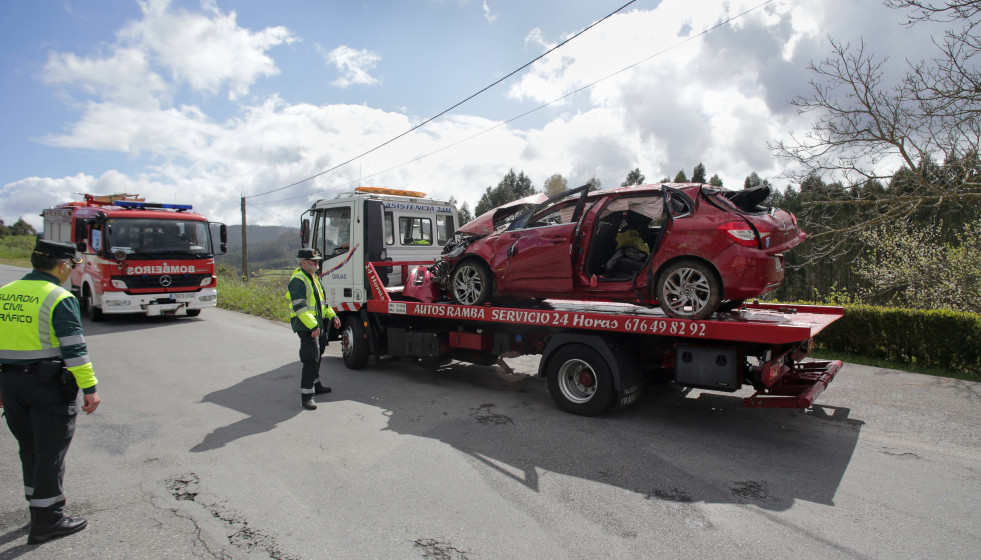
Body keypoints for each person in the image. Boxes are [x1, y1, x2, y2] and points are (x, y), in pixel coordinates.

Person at [0, 239, 101, 545]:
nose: (72, 272)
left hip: (11, 385)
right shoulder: (58, 297)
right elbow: (74, 349)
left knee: (29, 449)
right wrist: (89, 387)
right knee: (50, 454)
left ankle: (37, 509)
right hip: (46, 388)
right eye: (73, 266)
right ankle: (48, 521)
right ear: (62, 266)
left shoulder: (5, 293)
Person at [286, 248, 341, 411]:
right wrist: (313, 326)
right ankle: (307, 396)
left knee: (318, 353)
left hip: (317, 324)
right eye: (314, 261)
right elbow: (300, 308)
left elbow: (322, 303)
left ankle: (316, 385)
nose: (317, 264)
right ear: (304, 262)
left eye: (318, 261)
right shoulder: (298, 279)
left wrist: (333, 316)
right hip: (306, 325)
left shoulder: (314, 278)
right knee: (310, 357)